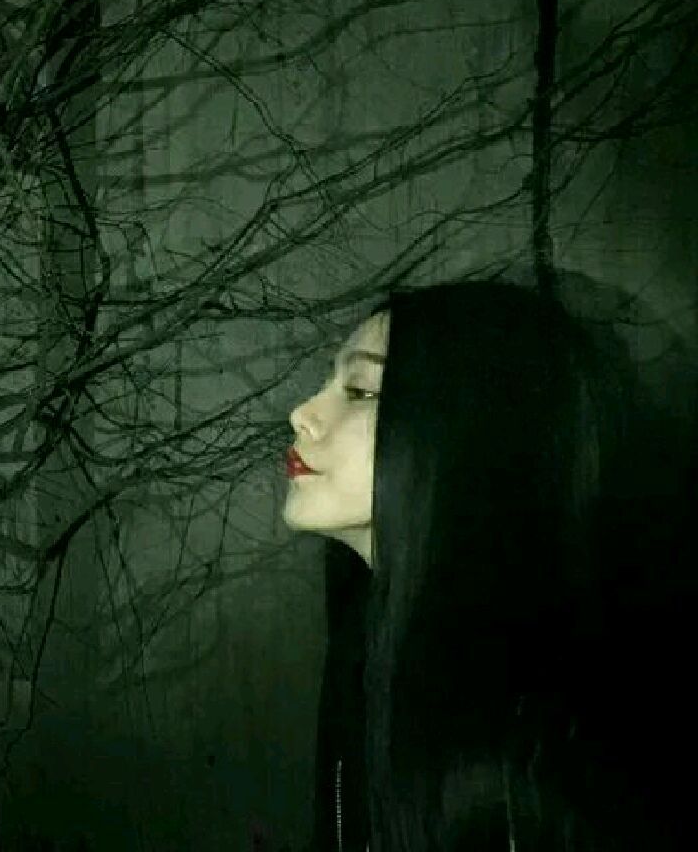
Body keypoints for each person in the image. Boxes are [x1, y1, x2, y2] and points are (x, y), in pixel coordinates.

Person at [283, 280, 696, 852]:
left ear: (472, 431)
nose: (302, 414)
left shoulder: (545, 742)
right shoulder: (364, 650)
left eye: (360, 390)